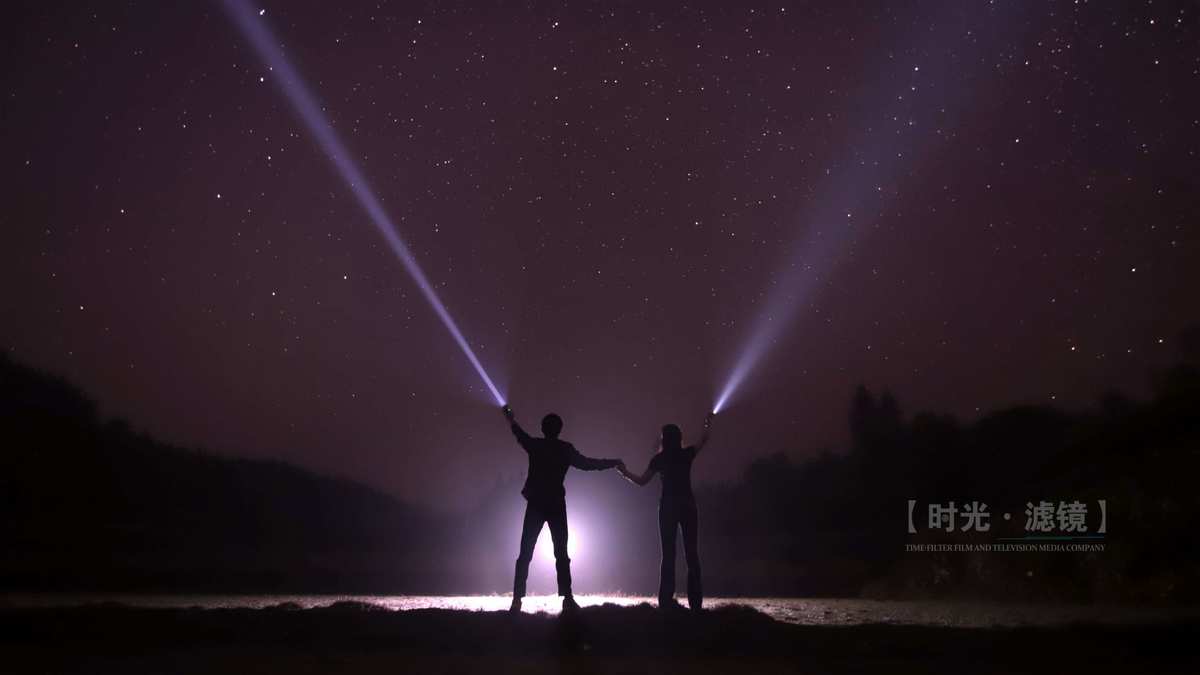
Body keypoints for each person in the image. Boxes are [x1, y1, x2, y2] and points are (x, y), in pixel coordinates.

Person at [501, 404, 623, 613]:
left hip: (537, 503)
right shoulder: (564, 449)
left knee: (525, 553)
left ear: (543, 428)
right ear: (559, 429)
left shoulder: (536, 446)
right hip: (556, 504)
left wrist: (511, 419)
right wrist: (612, 463)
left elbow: (519, 434)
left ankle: (517, 600)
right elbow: (587, 463)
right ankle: (567, 599)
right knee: (561, 554)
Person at [618, 412, 713, 610]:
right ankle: (696, 604)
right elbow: (704, 440)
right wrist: (706, 424)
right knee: (692, 554)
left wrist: (625, 473)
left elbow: (643, 481)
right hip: (688, 505)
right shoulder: (686, 454)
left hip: (668, 507)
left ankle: (665, 602)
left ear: (664, 439)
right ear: (679, 438)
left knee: (668, 554)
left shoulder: (659, 459)